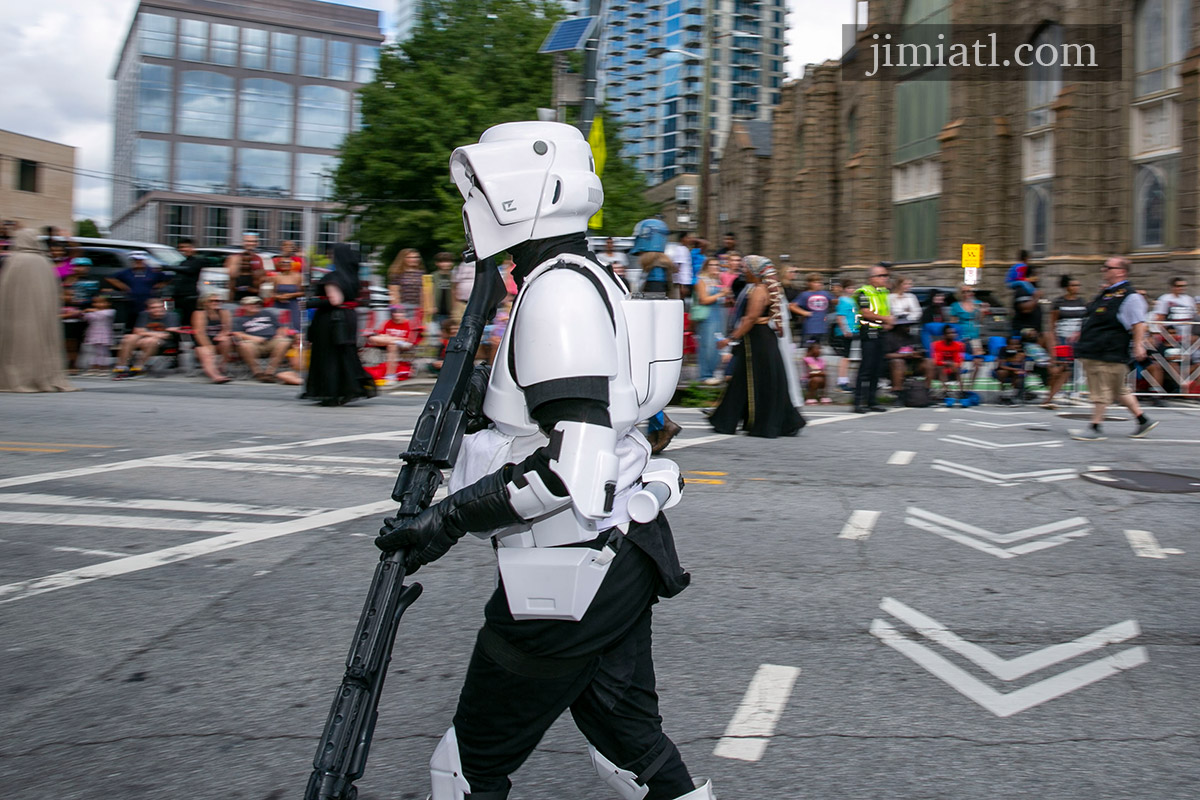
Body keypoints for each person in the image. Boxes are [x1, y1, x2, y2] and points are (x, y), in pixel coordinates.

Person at [374, 120, 712, 800]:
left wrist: (446, 521)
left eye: (483, 188)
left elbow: (568, 470)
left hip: (568, 573)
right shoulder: (580, 276)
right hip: (610, 554)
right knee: (632, 754)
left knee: (466, 770)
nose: (472, 205)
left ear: (521, 192)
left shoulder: (556, 292)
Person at [710, 255, 805, 437]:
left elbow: (750, 319)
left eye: (745, 268)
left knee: (757, 380)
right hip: (758, 340)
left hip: (758, 340)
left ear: (755, 272)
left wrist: (730, 338)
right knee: (746, 380)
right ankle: (731, 419)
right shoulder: (756, 288)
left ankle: (765, 422)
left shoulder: (759, 291)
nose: (742, 271)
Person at [1071, 257, 1158, 440]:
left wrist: (1139, 345)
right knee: (1118, 388)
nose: (1104, 270)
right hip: (1097, 348)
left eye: (1108, 267)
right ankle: (1143, 420)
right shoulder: (1109, 293)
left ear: (1121, 271)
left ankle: (1095, 427)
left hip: (1109, 351)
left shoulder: (1130, 296)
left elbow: (1138, 324)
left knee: (1101, 388)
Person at [0, 229, 77, 392]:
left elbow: (4, 291)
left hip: (16, 317)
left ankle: (19, 378)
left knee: (17, 346)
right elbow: (54, 292)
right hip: (42, 317)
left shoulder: (15, 260)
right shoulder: (44, 262)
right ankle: (43, 378)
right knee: (41, 343)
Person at [302, 244, 376, 406]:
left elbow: (335, 300)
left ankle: (330, 391)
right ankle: (347, 388)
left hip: (332, 321)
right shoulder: (353, 276)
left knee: (329, 356)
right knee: (345, 354)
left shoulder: (333, 277)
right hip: (348, 318)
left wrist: (310, 303)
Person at [853, 263, 894, 413]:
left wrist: (888, 322)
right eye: (881, 275)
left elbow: (885, 311)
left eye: (886, 275)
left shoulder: (883, 292)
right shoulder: (863, 292)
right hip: (868, 332)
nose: (885, 278)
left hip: (881, 332)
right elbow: (866, 313)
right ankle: (858, 402)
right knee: (866, 368)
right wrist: (886, 319)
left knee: (877, 368)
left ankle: (872, 401)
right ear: (871, 278)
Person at [1042, 275, 1088, 408]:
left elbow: (1085, 320)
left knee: (1073, 367)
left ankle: (1071, 392)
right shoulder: (1059, 302)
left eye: (1078, 285)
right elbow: (1052, 323)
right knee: (1062, 367)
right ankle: (1051, 394)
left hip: (1078, 338)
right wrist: (1054, 340)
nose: (1076, 288)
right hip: (1062, 337)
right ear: (1067, 287)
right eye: (1073, 285)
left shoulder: (1081, 302)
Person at [233, 296, 301, 385]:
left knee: (284, 341)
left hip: (271, 341)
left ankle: (270, 373)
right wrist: (253, 338)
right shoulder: (239, 319)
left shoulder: (266, 313)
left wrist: (280, 334)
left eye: (257, 304)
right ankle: (257, 372)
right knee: (244, 345)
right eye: (252, 304)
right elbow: (237, 333)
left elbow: (280, 327)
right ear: (244, 306)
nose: (255, 305)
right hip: (253, 343)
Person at [113, 297, 181, 378]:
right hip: (143, 339)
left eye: (160, 307)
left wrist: (147, 333)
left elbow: (169, 334)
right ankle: (122, 366)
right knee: (129, 338)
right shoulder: (144, 315)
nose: (157, 309)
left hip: (164, 341)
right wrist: (156, 334)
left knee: (150, 340)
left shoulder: (172, 316)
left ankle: (139, 366)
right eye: (153, 308)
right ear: (148, 309)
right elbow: (137, 331)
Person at [692, 256, 728, 384]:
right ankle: (705, 375)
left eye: (717, 265)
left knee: (718, 343)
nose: (715, 267)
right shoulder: (701, 280)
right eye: (712, 265)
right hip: (707, 316)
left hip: (718, 314)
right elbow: (703, 300)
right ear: (706, 266)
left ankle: (713, 371)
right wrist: (721, 294)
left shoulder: (718, 280)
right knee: (707, 345)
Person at [949, 284, 988, 388]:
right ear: (960, 294)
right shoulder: (955, 305)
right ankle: (960, 384)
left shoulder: (977, 304)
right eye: (964, 292)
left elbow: (981, 320)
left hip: (974, 335)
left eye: (969, 291)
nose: (967, 294)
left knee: (978, 360)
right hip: (961, 335)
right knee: (958, 360)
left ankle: (971, 384)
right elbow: (953, 323)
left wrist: (983, 312)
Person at [107, 251, 165, 322]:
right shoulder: (126, 272)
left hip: (148, 301)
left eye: (140, 260)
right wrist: (124, 287)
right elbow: (110, 278)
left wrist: (157, 287)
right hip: (132, 301)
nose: (138, 262)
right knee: (132, 319)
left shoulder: (153, 272)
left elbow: (167, 278)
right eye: (135, 260)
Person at [367, 306, 418, 386]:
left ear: (404, 314)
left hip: (405, 345)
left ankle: (390, 375)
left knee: (392, 345)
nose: (397, 315)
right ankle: (396, 342)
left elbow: (409, 340)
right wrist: (395, 339)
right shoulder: (387, 322)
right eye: (395, 312)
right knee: (372, 338)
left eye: (400, 312)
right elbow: (380, 335)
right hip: (391, 343)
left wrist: (389, 338)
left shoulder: (409, 323)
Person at [191, 293, 233, 384]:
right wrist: (209, 346)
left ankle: (222, 365)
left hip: (218, 342)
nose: (215, 302)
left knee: (226, 340)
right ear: (205, 302)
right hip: (202, 342)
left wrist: (223, 334)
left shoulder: (224, 312)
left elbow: (227, 329)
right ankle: (215, 376)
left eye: (218, 301)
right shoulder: (199, 313)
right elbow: (199, 333)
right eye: (212, 301)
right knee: (207, 354)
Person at [831, 277, 858, 391]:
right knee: (845, 357)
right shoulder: (843, 300)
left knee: (849, 357)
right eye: (849, 288)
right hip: (845, 332)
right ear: (844, 289)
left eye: (852, 287)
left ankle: (845, 380)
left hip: (853, 330)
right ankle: (842, 381)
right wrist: (845, 330)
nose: (851, 290)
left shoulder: (851, 300)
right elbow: (840, 317)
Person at [792, 272, 834, 346]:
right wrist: (804, 313)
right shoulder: (805, 294)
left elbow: (836, 301)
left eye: (820, 282)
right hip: (809, 328)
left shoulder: (825, 293)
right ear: (809, 283)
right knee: (806, 349)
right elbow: (792, 306)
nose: (818, 284)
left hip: (822, 328)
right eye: (815, 282)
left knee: (820, 351)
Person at [388, 248, 426, 329]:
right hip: (403, 307)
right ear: (403, 259)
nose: (414, 260)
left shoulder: (422, 273)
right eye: (410, 257)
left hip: (418, 307)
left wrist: (424, 309)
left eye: (416, 257)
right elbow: (394, 293)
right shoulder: (397, 274)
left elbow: (424, 292)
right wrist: (396, 311)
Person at [272, 241, 306, 328]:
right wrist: (278, 297)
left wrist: (291, 295)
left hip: (293, 305)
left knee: (294, 326)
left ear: (292, 264)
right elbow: (271, 293)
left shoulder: (298, 277)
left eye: (288, 263)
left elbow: (304, 292)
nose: (285, 265)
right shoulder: (276, 277)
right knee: (279, 327)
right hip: (278, 305)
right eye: (283, 263)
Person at [81, 293, 116, 373]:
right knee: (93, 352)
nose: (98, 304)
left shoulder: (110, 311)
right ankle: (94, 367)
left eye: (102, 302)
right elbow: (85, 317)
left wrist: (92, 311)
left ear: (108, 303)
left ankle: (103, 368)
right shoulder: (93, 313)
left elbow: (104, 314)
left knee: (103, 352)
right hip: (93, 334)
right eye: (96, 302)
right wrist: (83, 313)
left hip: (104, 334)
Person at [225, 233, 265, 303]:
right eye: (248, 241)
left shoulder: (259, 258)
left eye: (253, 241)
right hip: (236, 297)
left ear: (257, 243)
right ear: (243, 242)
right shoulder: (234, 257)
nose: (250, 243)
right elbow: (230, 278)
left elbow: (261, 279)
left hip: (253, 298)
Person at [172, 238, 205, 323]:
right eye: (180, 247)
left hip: (190, 297)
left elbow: (189, 270)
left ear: (192, 248)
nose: (182, 250)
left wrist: (166, 267)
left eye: (184, 247)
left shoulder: (198, 260)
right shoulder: (182, 262)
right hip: (178, 297)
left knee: (189, 321)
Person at [932, 325, 966, 400]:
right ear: (944, 335)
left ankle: (961, 392)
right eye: (950, 333)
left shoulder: (958, 345)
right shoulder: (936, 345)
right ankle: (945, 391)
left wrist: (951, 366)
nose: (953, 335)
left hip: (952, 370)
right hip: (938, 372)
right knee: (940, 368)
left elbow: (958, 362)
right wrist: (948, 364)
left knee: (957, 368)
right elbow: (936, 362)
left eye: (953, 333)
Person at [994, 335, 1027, 405]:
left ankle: (1013, 395)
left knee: (1019, 375)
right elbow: (1001, 365)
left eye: (1017, 344)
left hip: (1016, 371)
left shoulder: (1021, 352)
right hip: (1005, 369)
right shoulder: (1003, 350)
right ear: (1008, 345)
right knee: (1002, 372)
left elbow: (1023, 364)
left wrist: (1018, 354)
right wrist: (1014, 368)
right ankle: (1002, 392)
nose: (1015, 346)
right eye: (1012, 344)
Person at [431, 251, 457, 325]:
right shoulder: (433, 276)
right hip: (436, 311)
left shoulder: (455, 276)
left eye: (448, 261)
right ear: (437, 263)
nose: (446, 264)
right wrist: (432, 305)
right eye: (442, 261)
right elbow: (430, 292)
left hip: (450, 311)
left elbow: (455, 292)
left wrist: (454, 308)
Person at [803, 340, 830, 404]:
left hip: (819, 378)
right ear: (811, 350)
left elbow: (822, 371)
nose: (819, 350)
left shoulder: (821, 360)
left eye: (820, 349)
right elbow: (811, 372)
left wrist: (821, 373)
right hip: (808, 380)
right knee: (816, 379)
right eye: (817, 349)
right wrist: (821, 373)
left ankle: (823, 396)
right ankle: (810, 397)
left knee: (823, 378)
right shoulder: (807, 359)